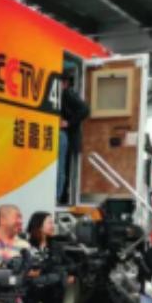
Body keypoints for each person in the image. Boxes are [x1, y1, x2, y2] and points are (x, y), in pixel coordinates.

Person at [57, 71, 90, 204]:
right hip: (68, 137)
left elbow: (85, 109)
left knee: (63, 168)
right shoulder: (64, 94)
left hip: (69, 137)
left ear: (64, 83)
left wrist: (69, 122)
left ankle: (61, 197)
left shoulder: (67, 94)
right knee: (63, 168)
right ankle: (62, 196)